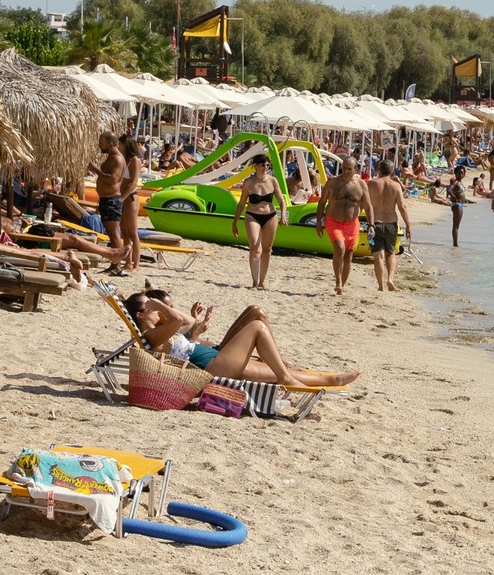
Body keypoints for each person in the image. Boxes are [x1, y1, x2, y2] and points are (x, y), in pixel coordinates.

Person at [128, 294, 357, 388]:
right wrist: (160, 306)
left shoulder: (161, 330)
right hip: (215, 366)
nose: (159, 311)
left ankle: (329, 379)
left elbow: (185, 322)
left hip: (218, 356)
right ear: (141, 315)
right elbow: (177, 320)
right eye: (151, 307)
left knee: (255, 313)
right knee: (257, 327)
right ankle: (285, 375)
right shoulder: (150, 336)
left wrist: (189, 319)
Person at [316, 158, 368, 295]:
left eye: (349, 169)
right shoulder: (333, 182)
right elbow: (321, 203)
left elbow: (368, 206)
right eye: (344, 168)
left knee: (349, 255)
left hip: (352, 223)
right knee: (339, 248)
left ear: (356, 170)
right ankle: (338, 281)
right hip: (333, 221)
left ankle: (341, 286)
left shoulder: (361, 185)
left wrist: (372, 225)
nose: (345, 171)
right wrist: (318, 223)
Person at [231, 152, 282, 291]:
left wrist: (283, 215)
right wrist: (235, 222)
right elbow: (241, 204)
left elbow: (281, 199)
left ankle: (262, 281)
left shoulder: (272, 181)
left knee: (267, 250)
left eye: (267, 165)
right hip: (252, 215)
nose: (266, 167)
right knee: (255, 247)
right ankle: (254, 282)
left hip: (270, 216)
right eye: (263, 165)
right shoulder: (248, 182)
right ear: (255, 166)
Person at [366, 159, 412, 293]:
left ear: (379, 170)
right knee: (391, 253)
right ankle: (390, 279)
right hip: (391, 224)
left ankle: (380, 286)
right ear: (392, 172)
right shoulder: (396, 186)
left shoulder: (372, 184)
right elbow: (402, 207)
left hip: (375, 225)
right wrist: (408, 225)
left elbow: (365, 204)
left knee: (377, 255)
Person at [88, 133, 128, 273]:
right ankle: (114, 264)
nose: (100, 145)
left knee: (114, 233)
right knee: (111, 232)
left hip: (112, 200)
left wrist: (95, 170)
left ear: (110, 144)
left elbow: (113, 179)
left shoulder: (117, 159)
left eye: (102, 143)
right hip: (107, 200)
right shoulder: (111, 158)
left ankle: (117, 265)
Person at [118, 132, 144, 273]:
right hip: (122, 197)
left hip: (131, 197)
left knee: (133, 232)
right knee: (125, 232)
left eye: (120, 144)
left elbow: (133, 182)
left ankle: (136, 264)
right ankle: (128, 263)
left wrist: (121, 198)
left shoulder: (135, 160)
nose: (119, 147)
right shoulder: (123, 159)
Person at [447, 166, 471, 248]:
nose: (460, 175)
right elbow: (449, 190)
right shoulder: (456, 182)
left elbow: (462, 195)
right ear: (456, 174)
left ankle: (455, 243)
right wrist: (453, 197)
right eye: (459, 173)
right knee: (456, 226)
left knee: (457, 226)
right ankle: (455, 244)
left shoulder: (460, 183)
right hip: (457, 205)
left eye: (462, 173)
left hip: (460, 204)